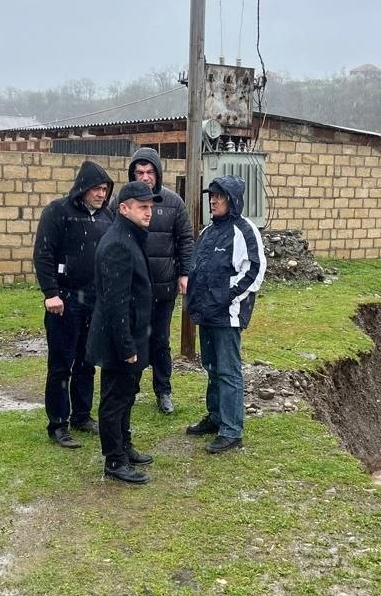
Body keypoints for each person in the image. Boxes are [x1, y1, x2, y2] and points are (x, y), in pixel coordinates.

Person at [33, 160, 115, 448]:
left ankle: (82, 415)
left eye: (105, 189)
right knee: (61, 364)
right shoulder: (58, 212)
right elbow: (43, 254)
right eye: (96, 188)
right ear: (83, 188)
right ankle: (58, 422)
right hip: (65, 300)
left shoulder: (108, 217)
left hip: (95, 300)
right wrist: (50, 292)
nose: (101, 194)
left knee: (87, 361)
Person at [86, 181, 161, 484]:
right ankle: (114, 460)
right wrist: (127, 347)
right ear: (124, 208)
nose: (149, 213)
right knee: (115, 399)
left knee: (128, 395)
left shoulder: (130, 236)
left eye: (151, 207)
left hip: (132, 335)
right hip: (120, 339)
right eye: (142, 207)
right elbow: (116, 304)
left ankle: (124, 446)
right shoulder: (118, 243)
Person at [185, 175, 267, 454]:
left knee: (228, 370)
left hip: (227, 315)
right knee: (211, 367)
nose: (213, 200)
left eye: (219, 196)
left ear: (232, 200)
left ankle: (232, 430)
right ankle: (216, 417)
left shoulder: (245, 231)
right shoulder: (208, 231)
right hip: (206, 313)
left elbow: (254, 270)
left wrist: (226, 297)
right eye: (212, 195)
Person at [125, 148, 194, 414]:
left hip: (164, 287)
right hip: (132, 288)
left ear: (158, 173)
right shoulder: (122, 202)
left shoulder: (173, 203)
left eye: (149, 172)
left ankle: (163, 390)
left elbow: (185, 240)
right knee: (133, 339)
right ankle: (130, 388)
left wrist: (184, 273)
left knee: (160, 340)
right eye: (139, 172)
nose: (145, 177)